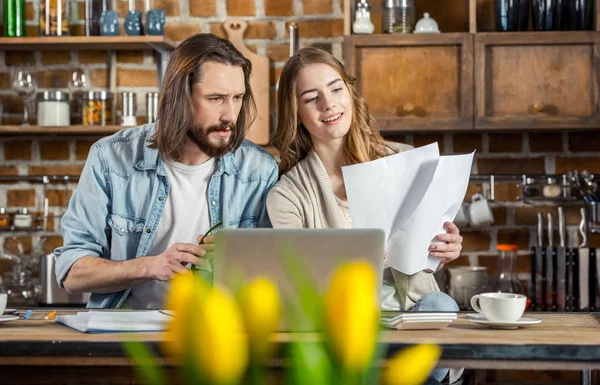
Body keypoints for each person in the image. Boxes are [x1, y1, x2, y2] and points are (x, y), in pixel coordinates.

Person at [266, 47, 462, 383]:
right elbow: (294, 285)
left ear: (350, 93)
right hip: (342, 328)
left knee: (441, 305)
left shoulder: (405, 160)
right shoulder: (287, 195)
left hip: (410, 318)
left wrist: (446, 246)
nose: (329, 104)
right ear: (295, 111)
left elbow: (427, 245)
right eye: (312, 97)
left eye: (336, 89)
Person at [54, 34, 278, 309]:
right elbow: (71, 274)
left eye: (238, 98)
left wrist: (236, 264)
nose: (230, 115)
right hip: (120, 338)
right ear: (179, 97)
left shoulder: (259, 170)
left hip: (217, 335)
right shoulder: (110, 159)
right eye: (216, 98)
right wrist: (151, 266)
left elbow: (275, 278)